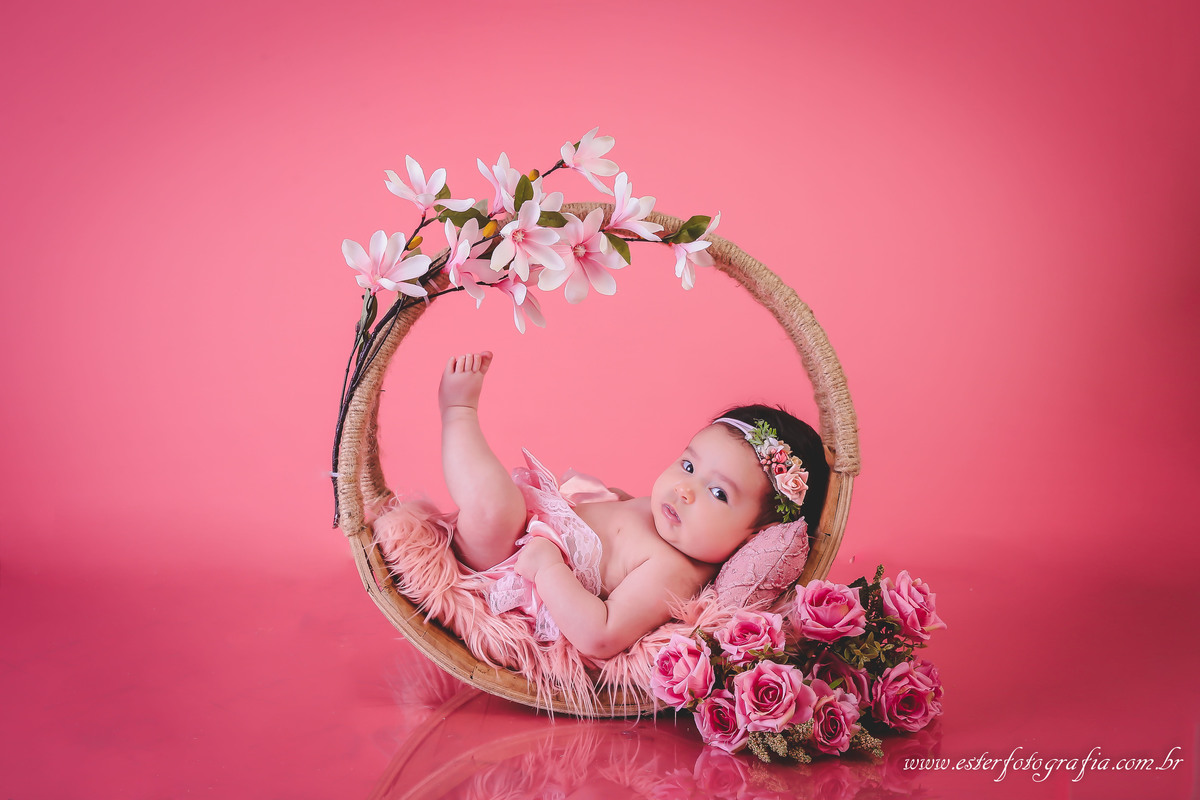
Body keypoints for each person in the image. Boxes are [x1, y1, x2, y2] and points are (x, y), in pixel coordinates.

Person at [439, 351, 829, 659]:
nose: (685, 490)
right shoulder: (673, 520)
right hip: (533, 530)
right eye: (688, 466)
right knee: (501, 504)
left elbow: (601, 635)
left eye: (718, 493)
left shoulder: (675, 571)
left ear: (753, 538)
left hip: (514, 569)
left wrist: (548, 568)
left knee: (495, 507)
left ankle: (459, 414)